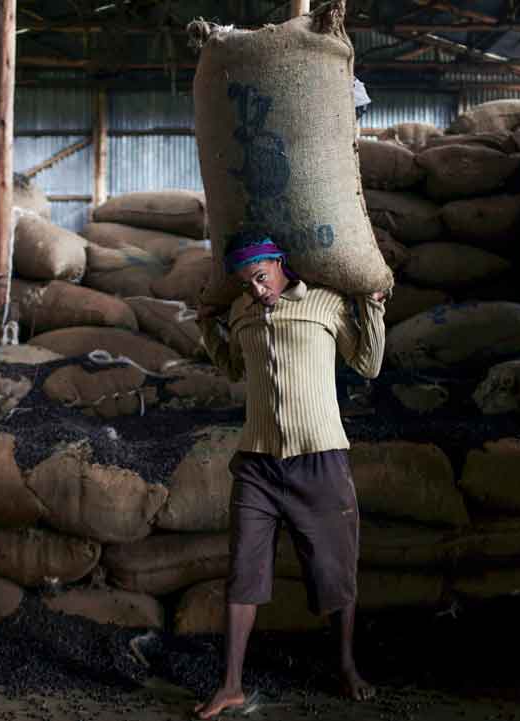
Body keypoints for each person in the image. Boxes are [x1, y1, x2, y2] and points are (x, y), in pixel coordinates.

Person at [193, 235, 387, 719]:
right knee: (243, 570)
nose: (257, 291)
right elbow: (234, 369)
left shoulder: (324, 303)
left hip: (320, 459)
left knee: (335, 569)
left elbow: (368, 363)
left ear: (281, 264)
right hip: (257, 463)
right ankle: (231, 684)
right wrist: (207, 328)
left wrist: (374, 311)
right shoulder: (241, 312)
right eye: (247, 283)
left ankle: (345, 666)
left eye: (262, 278)